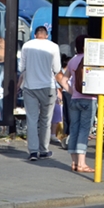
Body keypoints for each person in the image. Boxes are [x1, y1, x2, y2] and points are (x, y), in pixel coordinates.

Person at [18, 25, 65, 161]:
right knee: (46, 119)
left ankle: (33, 151)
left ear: (34, 35)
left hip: (30, 87)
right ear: (46, 35)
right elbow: (56, 69)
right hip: (48, 87)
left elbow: (22, 67)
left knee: (32, 119)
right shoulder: (53, 46)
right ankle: (43, 150)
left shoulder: (27, 46)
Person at [61, 35, 94, 173]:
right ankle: (82, 164)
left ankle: (74, 162)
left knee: (74, 129)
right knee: (84, 130)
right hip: (89, 99)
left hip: (74, 99)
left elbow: (63, 80)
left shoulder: (73, 60)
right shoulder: (90, 60)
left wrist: (73, 92)